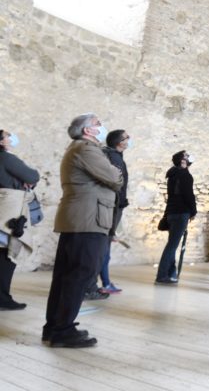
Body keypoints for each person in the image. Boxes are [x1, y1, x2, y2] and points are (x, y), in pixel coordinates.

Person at [44, 114, 123, 347]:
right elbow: (115, 178)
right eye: (98, 124)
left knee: (66, 276)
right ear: (88, 131)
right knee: (80, 274)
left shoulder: (79, 148)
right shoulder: (87, 150)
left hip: (79, 218)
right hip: (88, 219)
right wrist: (115, 172)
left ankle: (54, 326)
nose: (101, 126)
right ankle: (63, 330)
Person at [0, 128, 40, 310]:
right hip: (8, 209)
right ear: (1, 141)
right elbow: (32, 176)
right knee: (6, 255)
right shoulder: (7, 158)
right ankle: (3, 299)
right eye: (8, 135)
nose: (11, 137)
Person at [91, 129, 130, 295]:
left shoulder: (113, 156)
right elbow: (116, 182)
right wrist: (120, 202)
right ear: (120, 142)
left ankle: (104, 281)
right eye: (127, 137)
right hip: (113, 205)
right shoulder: (114, 158)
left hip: (113, 205)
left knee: (105, 245)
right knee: (104, 247)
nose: (129, 140)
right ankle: (103, 283)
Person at [155, 150, 196, 284]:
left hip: (172, 213)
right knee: (172, 245)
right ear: (182, 160)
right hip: (180, 213)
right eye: (186, 156)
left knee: (172, 243)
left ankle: (170, 273)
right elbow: (188, 195)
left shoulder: (172, 174)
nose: (189, 157)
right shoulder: (185, 176)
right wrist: (193, 211)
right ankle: (162, 275)